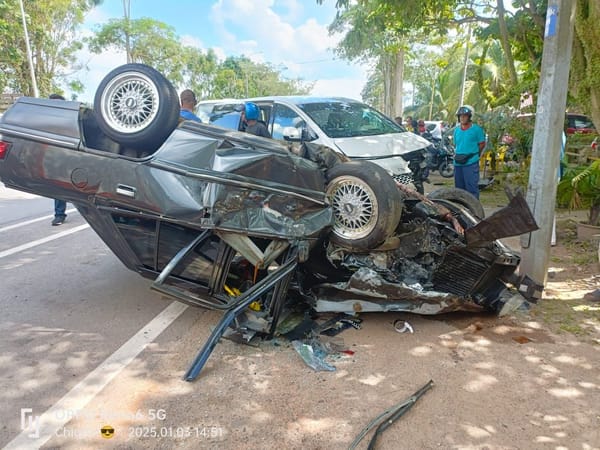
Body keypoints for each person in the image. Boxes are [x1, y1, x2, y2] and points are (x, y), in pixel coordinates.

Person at [452, 105, 486, 199]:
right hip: (458, 163)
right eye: (460, 116)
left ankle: (474, 211)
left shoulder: (477, 130)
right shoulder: (456, 130)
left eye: (465, 115)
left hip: (471, 162)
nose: (462, 118)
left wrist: (474, 154)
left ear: (470, 117)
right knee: (459, 189)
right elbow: (455, 145)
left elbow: (482, 144)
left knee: (471, 188)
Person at [49, 94, 68, 226]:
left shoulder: (69, 119)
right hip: (56, 158)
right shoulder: (47, 120)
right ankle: (59, 215)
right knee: (59, 186)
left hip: (72, 156)